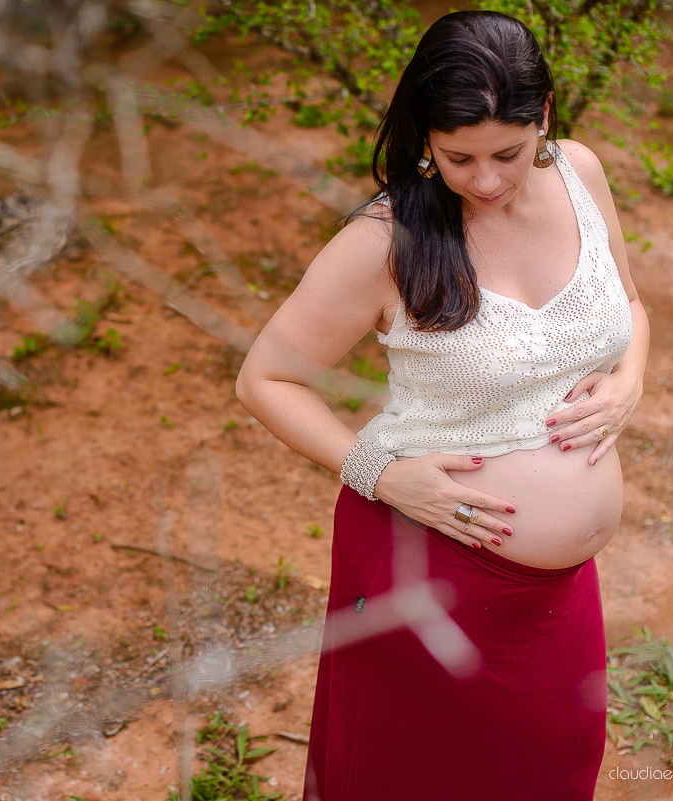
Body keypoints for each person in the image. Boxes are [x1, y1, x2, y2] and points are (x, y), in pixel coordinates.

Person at [234, 10, 649, 801]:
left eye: (508, 153)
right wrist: (380, 473)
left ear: (544, 116)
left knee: (554, 768)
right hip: (429, 576)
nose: (486, 180)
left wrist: (630, 379)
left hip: (560, 598)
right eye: (459, 157)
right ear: (425, 136)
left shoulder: (581, 176)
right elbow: (265, 379)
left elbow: (630, 303)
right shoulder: (385, 241)